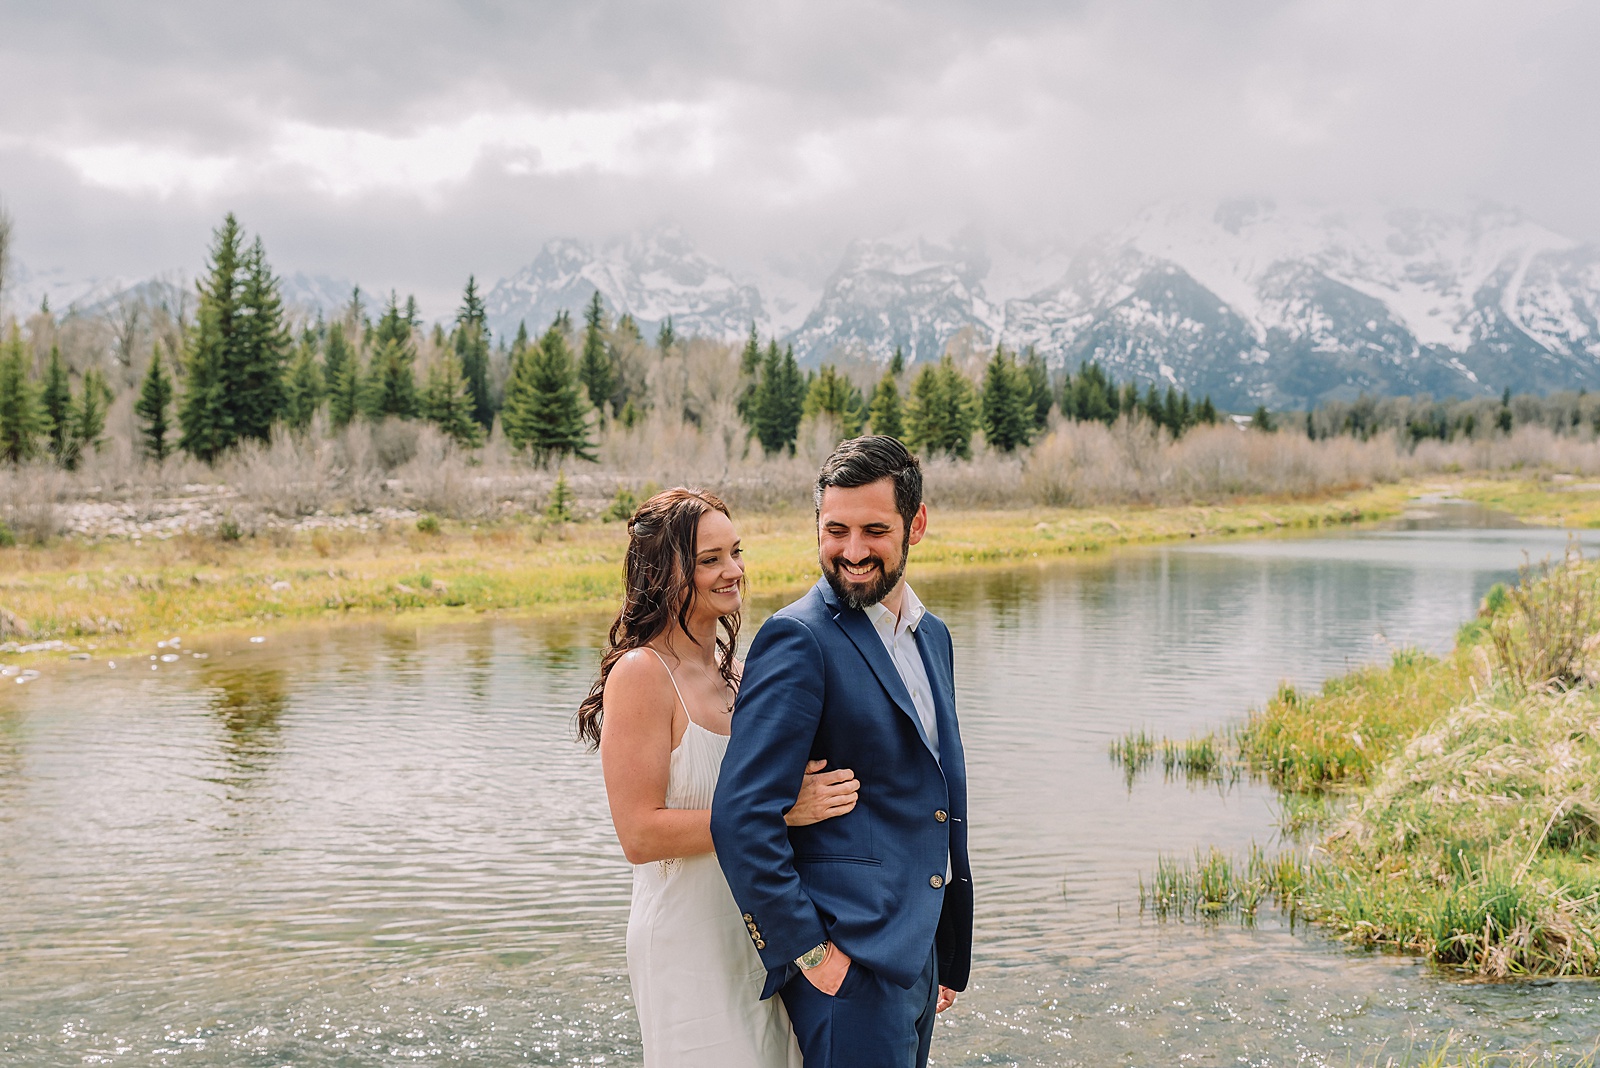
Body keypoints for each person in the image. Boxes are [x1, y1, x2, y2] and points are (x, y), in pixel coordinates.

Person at [576, 486, 861, 1067]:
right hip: (687, 937)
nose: (733, 571)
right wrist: (778, 812)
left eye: (735, 552)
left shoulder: (739, 674)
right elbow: (640, 834)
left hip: (759, 928)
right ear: (662, 572)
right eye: (710, 560)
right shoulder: (641, 674)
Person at [711, 436, 973, 1068]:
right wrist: (811, 955)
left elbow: (934, 797)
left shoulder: (932, 636)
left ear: (918, 524)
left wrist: (940, 948)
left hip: (916, 955)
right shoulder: (797, 638)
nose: (852, 552)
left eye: (874, 530)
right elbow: (739, 818)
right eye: (836, 531)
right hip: (844, 968)